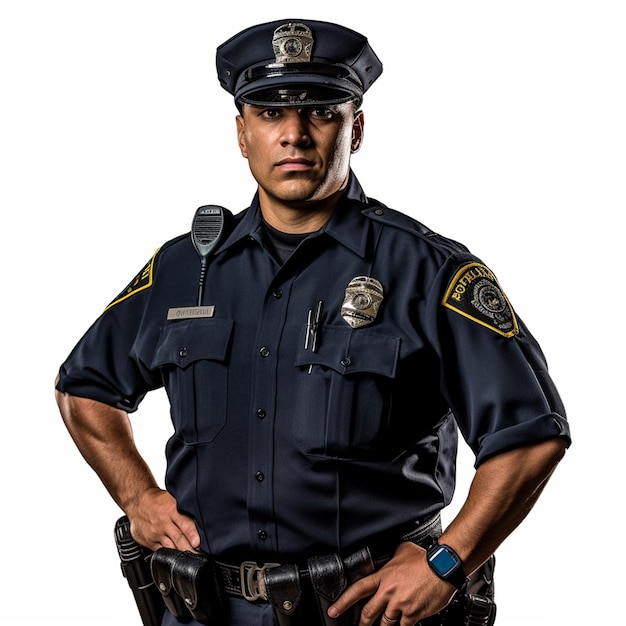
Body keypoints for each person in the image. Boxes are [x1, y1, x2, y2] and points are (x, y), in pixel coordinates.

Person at [55, 18, 571, 626]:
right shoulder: (181, 269)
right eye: (270, 113)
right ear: (241, 133)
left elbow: (531, 434)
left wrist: (447, 562)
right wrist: (137, 495)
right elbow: (84, 387)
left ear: (357, 127)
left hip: (367, 611)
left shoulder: (430, 271)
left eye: (321, 112)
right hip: (204, 610)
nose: (294, 135)